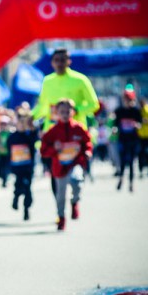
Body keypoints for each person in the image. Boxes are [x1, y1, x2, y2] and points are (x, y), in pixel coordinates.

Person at [32, 48, 99, 195]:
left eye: (63, 60)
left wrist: (75, 111)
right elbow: (43, 106)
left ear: (69, 61)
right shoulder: (47, 81)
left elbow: (94, 104)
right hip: (54, 132)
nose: (60, 63)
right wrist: (31, 116)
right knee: (54, 171)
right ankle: (60, 209)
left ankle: (75, 197)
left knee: (75, 173)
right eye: (57, 60)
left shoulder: (80, 80)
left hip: (74, 132)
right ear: (52, 63)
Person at [40, 99, 92, 231]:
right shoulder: (52, 131)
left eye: (67, 111)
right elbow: (43, 151)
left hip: (75, 163)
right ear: (56, 113)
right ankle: (61, 218)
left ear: (73, 112)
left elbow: (87, 143)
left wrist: (87, 151)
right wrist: (54, 149)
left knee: (77, 180)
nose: (65, 114)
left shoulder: (78, 128)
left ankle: (75, 201)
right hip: (59, 168)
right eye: (61, 111)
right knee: (60, 196)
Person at [7, 108, 38, 221]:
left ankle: (26, 209)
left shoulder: (29, 135)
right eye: (20, 122)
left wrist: (31, 127)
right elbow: (9, 150)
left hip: (28, 167)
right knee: (19, 185)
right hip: (17, 167)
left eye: (24, 122)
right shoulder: (12, 136)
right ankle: (16, 196)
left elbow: (35, 138)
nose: (22, 125)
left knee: (28, 187)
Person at [113, 89, 142, 192]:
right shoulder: (119, 111)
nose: (127, 102)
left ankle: (131, 183)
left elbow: (140, 123)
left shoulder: (136, 111)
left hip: (133, 139)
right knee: (122, 161)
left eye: (129, 100)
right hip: (122, 139)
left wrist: (137, 125)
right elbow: (115, 124)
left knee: (131, 162)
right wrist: (115, 129)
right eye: (126, 99)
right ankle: (121, 178)